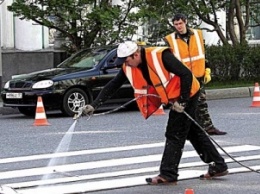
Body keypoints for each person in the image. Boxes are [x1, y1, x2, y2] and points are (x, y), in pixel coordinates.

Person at [82, 41, 228, 185]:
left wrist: (183, 101)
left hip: (188, 93)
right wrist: (94, 105)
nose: (125, 64)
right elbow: (113, 85)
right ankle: (218, 165)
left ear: (136, 54)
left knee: (174, 133)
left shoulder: (160, 56)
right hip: (175, 98)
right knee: (192, 131)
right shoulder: (128, 66)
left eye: (126, 60)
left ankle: (168, 174)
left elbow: (186, 75)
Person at [164, 13, 227, 136]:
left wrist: (207, 69)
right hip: (183, 78)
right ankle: (187, 129)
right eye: (176, 24)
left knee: (201, 102)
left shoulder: (197, 35)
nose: (178, 26)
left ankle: (207, 127)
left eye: (180, 23)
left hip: (198, 76)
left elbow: (203, 55)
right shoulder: (170, 40)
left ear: (185, 22)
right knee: (184, 104)